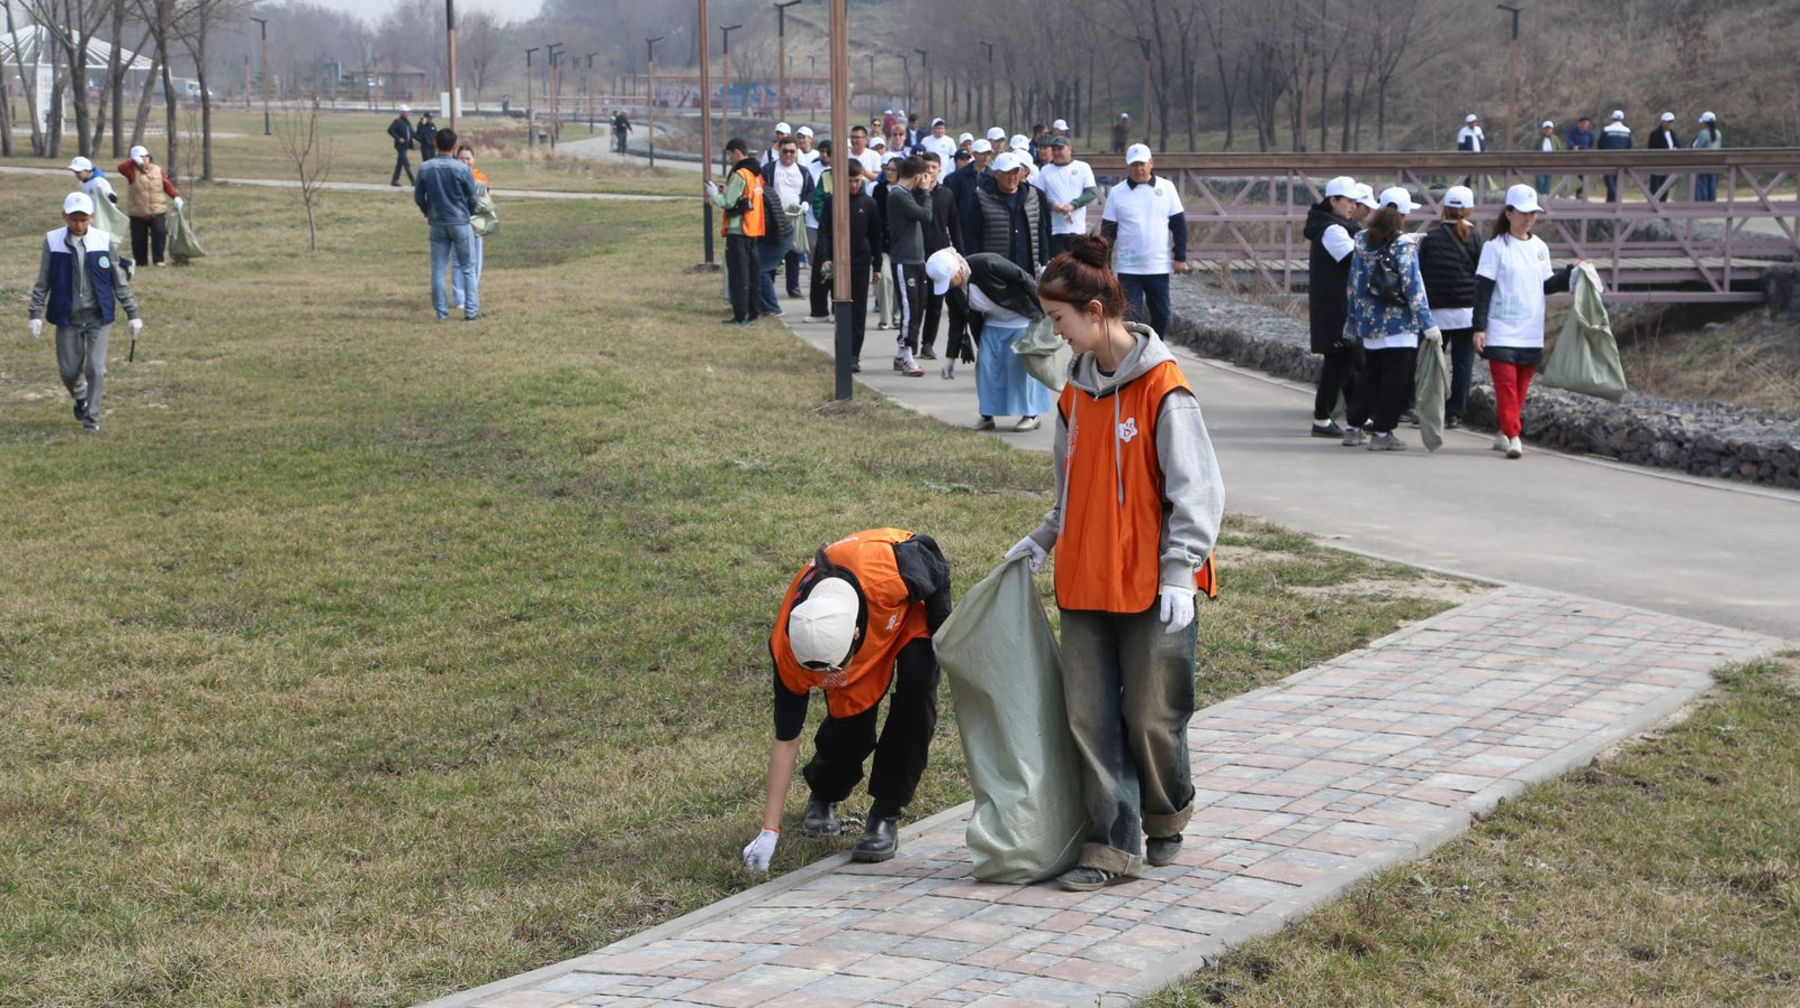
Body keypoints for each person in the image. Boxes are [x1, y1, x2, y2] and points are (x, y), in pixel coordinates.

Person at [1005, 234, 1223, 892]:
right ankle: (1111, 844)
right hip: (1085, 581)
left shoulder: (1165, 389)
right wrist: (1046, 537)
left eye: (1059, 320)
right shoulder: (1072, 396)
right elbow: (1070, 490)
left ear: (1095, 312)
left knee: (1154, 717)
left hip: (1156, 587)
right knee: (1089, 719)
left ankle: (1168, 810)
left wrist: (1181, 569)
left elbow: (1198, 491)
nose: (1055, 334)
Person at [741, 528, 953, 871]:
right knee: (850, 720)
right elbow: (786, 740)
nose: (825, 682)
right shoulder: (787, 650)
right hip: (858, 627)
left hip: (902, 616)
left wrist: (944, 630)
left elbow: (934, 560)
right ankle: (824, 794)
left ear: (855, 634)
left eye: (832, 670)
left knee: (917, 692)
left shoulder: (891, 571)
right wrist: (769, 831)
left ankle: (885, 814)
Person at [1473, 184, 1578, 459]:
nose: (1528, 218)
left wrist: (1570, 273)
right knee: (1506, 385)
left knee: (1520, 387)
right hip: (1501, 328)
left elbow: (1545, 284)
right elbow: (1483, 289)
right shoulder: (1494, 248)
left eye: (1533, 213)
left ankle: (1503, 432)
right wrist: (1479, 327)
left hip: (1531, 328)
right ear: (1508, 213)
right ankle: (1515, 434)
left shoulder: (1540, 247)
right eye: (1523, 213)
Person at [26, 192, 143, 433]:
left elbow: (117, 281)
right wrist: (35, 313)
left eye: (83, 219)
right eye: (73, 219)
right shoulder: (53, 241)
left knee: (96, 369)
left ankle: (92, 420)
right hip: (67, 316)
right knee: (69, 372)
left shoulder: (102, 241)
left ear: (92, 217)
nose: (78, 224)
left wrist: (132, 313)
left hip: (98, 315)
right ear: (64, 216)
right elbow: (43, 279)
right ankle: (81, 398)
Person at [1342, 187, 1441, 451]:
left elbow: (1353, 283)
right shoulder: (1403, 244)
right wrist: (1428, 323)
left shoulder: (1361, 240)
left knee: (1370, 377)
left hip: (1369, 323)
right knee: (1394, 381)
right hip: (1399, 324)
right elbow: (1413, 286)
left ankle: (1353, 427)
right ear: (1404, 216)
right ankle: (1383, 432)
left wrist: (1352, 320)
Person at [927, 247, 1050, 431]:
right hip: (993, 323)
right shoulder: (952, 290)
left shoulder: (986, 263)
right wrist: (950, 358)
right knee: (986, 365)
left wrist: (1045, 312)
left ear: (959, 270)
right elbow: (956, 321)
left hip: (1020, 319)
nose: (949, 285)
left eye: (949, 280)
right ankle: (987, 416)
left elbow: (1024, 279)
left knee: (1018, 368)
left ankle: (1031, 415)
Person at [1099, 144, 1187, 338]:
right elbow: (1108, 232)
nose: (1139, 169)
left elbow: (1179, 225)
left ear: (1151, 164)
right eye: (1134, 164)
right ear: (1128, 167)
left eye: (1142, 164)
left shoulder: (1167, 188)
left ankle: (1156, 348)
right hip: (1129, 266)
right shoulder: (1116, 192)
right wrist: (1105, 264)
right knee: (1132, 316)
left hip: (1157, 265)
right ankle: (1135, 354)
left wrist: (1180, 256)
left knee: (1162, 314)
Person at [1419, 185, 1483, 430]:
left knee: (1434, 363)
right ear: (1469, 210)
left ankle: (1429, 406)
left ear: (1444, 208)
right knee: (1463, 363)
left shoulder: (1431, 238)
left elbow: (1421, 275)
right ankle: (1456, 412)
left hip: (1437, 313)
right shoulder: (1476, 238)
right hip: (1467, 313)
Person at [1304, 176, 1363, 438]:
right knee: (1339, 363)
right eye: (1348, 200)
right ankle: (1322, 418)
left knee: (1350, 362)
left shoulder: (1339, 227)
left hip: (1339, 306)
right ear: (1333, 201)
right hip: (1335, 308)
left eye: (1354, 201)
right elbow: (1356, 259)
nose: (1353, 206)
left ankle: (1358, 414)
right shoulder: (1332, 231)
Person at [813, 161, 883, 370]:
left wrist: (877, 266)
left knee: (859, 312)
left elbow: (876, 236)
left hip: (861, 264)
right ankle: (842, 353)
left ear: (862, 177)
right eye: (849, 181)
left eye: (856, 180)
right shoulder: (833, 202)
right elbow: (823, 231)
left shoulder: (869, 204)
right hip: (838, 264)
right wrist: (825, 257)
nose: (853, 185)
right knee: (841, 310)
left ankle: (854, 355)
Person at [413, 128, 481, 321]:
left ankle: (442, 313)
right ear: (455, 146)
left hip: (437, 223)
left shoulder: (425, 168)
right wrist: (469, 211)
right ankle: (471, 311)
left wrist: (428, 211)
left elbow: (419, 196)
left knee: (438, 269)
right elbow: (473, 197)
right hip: (460, 222)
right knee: (468, 267)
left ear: (435, 144)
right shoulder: (462, 169)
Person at [964, 151, 1052, 283]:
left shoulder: (1032, 195)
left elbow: (1040, 229)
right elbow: (972, 235)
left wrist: (1044, 262)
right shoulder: (981, 197)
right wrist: (976, 265)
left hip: (1027, 270)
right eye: (1007, 173)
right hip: (995, 272)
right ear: (996, 173)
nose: (1012, 177)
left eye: (1015, 172)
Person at [708, 137, 767, 327]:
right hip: (753, 229)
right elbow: (745, 195)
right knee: (752, 274)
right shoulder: (755, 174)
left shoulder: (739, 174)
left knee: (738, 275)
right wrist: (728, 189)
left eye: (729, 154)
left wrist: (714, 194)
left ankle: (740, 316)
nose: (729, 159)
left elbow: (728, 202)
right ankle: (753, 312)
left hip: (738, 229)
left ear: (735, 152)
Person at [886, 156, 935, 376]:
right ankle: (907, 355)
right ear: (917, 176)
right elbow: (926, 215)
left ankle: (900, 354)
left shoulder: (906, 195)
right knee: (909, 310)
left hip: (917, 259)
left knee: (918, 308)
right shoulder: (897, 195)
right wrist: (925, 191)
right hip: (904, 261)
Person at [917, 152, 965, 362]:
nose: (929, 171)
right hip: (916, 254)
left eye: (933, 167)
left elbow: (954, 225)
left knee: (936, 303)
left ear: (939, 170)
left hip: (940, 255)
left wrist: (960, 255)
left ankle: (927, 344)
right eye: (926, 167)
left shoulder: (947, 194)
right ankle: (907, 342)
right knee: (916, 302)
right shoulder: (914, 194)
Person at [757, 137, 812, 317]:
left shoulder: (803, 171)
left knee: (794, 253)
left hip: (795, 216)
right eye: (785, 151)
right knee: (772, 253)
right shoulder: (769, 169)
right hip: (774, 218)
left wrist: (805, 203)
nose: (788, 155)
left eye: (792, 151)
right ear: (778, 151)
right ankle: (768, 288)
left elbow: (811, 190)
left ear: (797, 153)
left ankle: (793, 287)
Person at [116, 145, 181, 268]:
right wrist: (133, 160)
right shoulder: (130, 171)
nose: (144, 160)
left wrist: (175, 196)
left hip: (157, 210)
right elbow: (120, 168)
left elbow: (167, 185)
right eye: (141, 158)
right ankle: (141, 262)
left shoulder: (157, 169)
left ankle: (158, 259)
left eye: (145, 157)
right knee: (139, 239)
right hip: (138, 212)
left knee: (159, 233)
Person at [1035, 136, 1098, 258]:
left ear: (1069, 149)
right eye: (1054, 149)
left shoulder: (1083, 167)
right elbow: (1038, 195)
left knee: (1078, 266)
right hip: (1055, 230)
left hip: (1077, 229)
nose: (1057, 153)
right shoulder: (1045, 170)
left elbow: (1091, 192)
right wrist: (1052, 205)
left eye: (1060, 149)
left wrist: (1073, 205)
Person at [453, 145, 491, 314]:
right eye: (462, 158)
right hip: (457, 222)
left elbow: (486, 199)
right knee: (457, 260)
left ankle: (471, 292)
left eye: (468, 158)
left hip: (476, 223)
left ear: (473, 160)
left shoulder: (480, 177)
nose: (465, 161)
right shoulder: (451, 176)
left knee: (476, 259)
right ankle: (459, 297)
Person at [805, 139, 837, 323]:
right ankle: (819, 311)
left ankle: (836, 310)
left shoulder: (853, 174)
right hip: (825, 231)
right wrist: (824, 220)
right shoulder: (825, 176)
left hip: (845, 234)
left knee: (840, 274)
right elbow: (817, 202)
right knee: (820, 270)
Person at [1598, 110, 1632, 202]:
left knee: (1608, 178)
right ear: (1622, 119)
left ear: (1612, 119)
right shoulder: (1627, 131)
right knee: (1617, 180)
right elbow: (1629, 146)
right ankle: (1612, 200)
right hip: (1622, 160)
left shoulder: (1606, 130)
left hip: (1608, 159)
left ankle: (1613, 198)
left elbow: (1600, 144)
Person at [1647, 111, 1679, 201]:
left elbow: (1677, 145)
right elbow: (1652, 148)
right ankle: (1652, 204)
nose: (1671, 124)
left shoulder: (1672, 134)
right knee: (1655, 186)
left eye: (1672, 122)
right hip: (1657, 164)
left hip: (1668, 164)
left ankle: (1662, 204)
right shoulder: (1655, 134)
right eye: (1669, 122)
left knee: (1665, 186)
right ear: (1663, 122)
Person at [1692, 112, 1723, 202]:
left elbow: (1698, 148)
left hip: (1703, 162)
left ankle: (1703, 203)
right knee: (1712, 185)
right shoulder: (1718, 133)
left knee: (1702, 184)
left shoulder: (1703, 133)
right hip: (1715, 163)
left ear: (1705, 123)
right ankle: (1712, 202)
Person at [1566, 115, 1594, 199]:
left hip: (1585, 159)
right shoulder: (1573, 132)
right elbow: (1569, 141)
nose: (1585, 126)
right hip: (1573, 158)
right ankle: (1567, 194)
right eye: (1583, 124)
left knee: (1584, 177)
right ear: (1579, 124)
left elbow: (1591, 144)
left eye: (1587, 124)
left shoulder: (1590, 134)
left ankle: (1581, 194)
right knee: (1574, 178)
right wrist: (1573, 147)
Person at [388, 104, 415, 185]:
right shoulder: (398, 121)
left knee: (400, 164)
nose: (407, 113)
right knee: (406, 164)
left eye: (407, 112)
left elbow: (412, 133)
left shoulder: (407, 122)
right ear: (401, 112)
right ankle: (413, 181)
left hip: (406, 146)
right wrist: (398, 138)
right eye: (405, 112)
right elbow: (390, 130)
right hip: (400, 146)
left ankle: (394, 181)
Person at [1533, 121, 1562, 197]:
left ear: (1552, 130)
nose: (1547, 130)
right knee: (1540, 180)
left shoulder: (1555, 139)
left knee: (1548, 180)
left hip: (1551, 163)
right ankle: (1539, 194)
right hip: (1539, 163)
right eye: (1546, 128)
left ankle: (1546, 195)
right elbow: (1533, 150)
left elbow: (1560, 150)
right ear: (1543, 130)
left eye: (1549, 129)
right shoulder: (1538, 140)